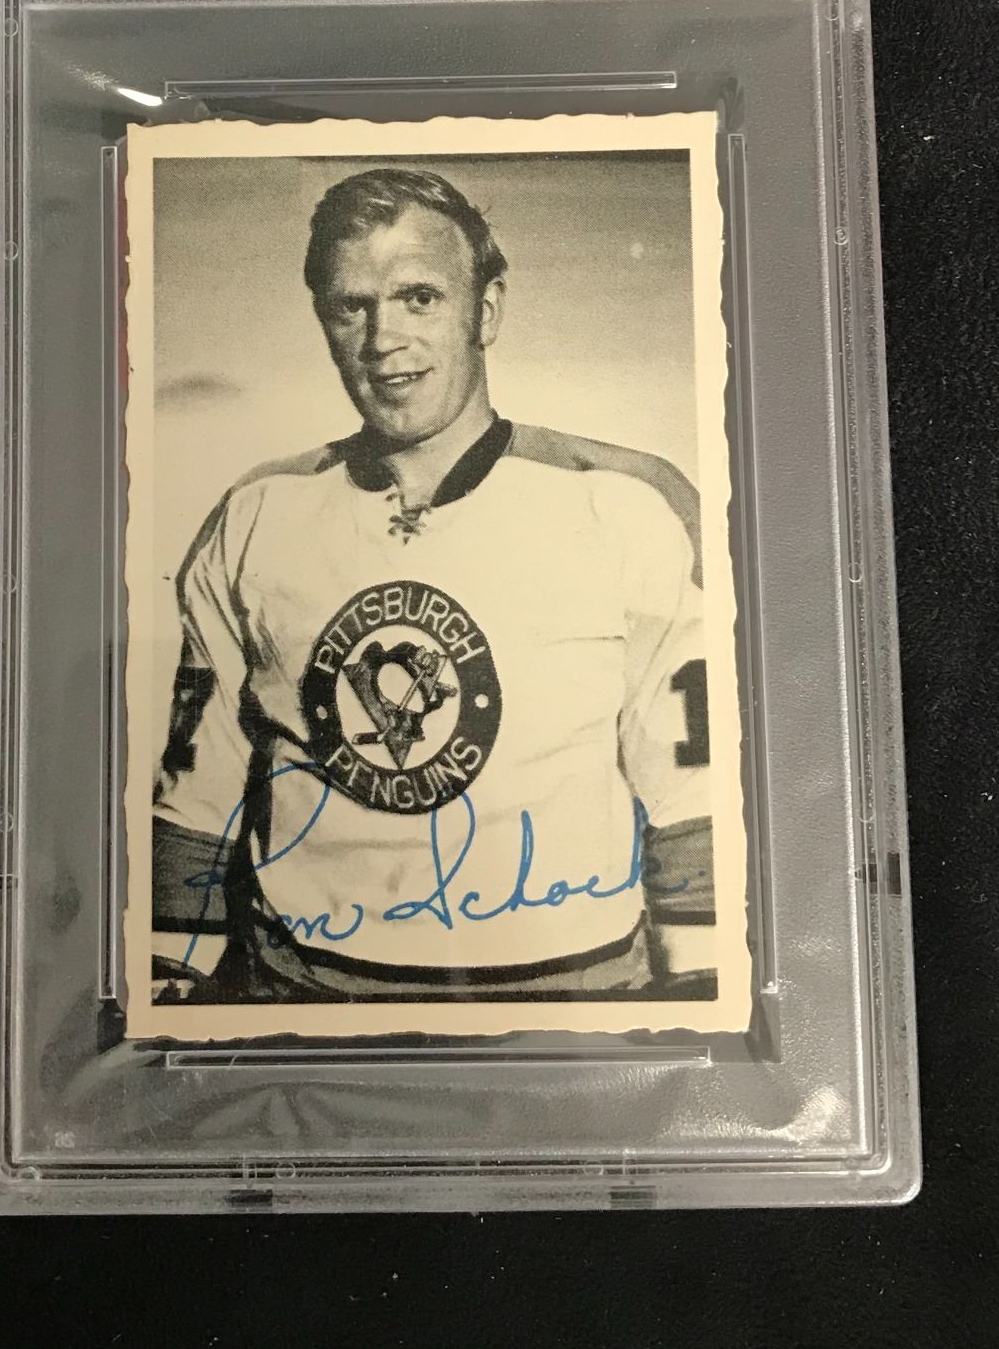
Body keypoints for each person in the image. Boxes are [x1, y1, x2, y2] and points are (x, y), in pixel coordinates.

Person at [151, 165, 713, 1003]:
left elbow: (692, 790)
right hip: (305, 1004)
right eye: (352, 307)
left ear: (486, 311)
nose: (384, 339)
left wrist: (702, 985)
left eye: (419, 298)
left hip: (571, 1004)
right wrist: (167, 988)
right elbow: (199, 796)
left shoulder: (629, 504)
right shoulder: (256, 514)